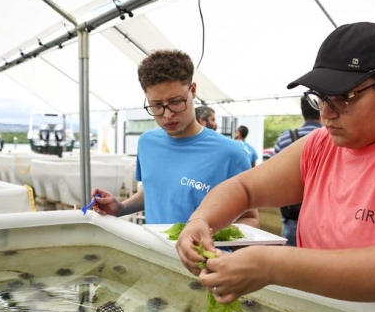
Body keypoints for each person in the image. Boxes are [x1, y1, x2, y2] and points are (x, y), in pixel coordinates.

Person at [175, 22, 375, 308]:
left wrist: (270, 265)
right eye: (320, 97)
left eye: (344, 97)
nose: (326, 113)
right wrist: (201, 221)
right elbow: (244, 187)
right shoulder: (320, 145)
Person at [91, 49, 258, 226]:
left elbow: (249, 220)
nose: (168, 115)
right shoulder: (147, 143)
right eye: (156, 105)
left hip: (205, 254)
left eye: (176, 102)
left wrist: (207, 237)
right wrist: (121, 208)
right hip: (150, 252)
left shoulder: (231, 154)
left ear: (193, 90)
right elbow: (155, 190)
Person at [273, 95, 322, 246]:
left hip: (292, 215)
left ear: (302, 111)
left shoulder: (285, 137)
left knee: (289, 263)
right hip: (323, 217)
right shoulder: (336, 138)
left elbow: (274, 174)